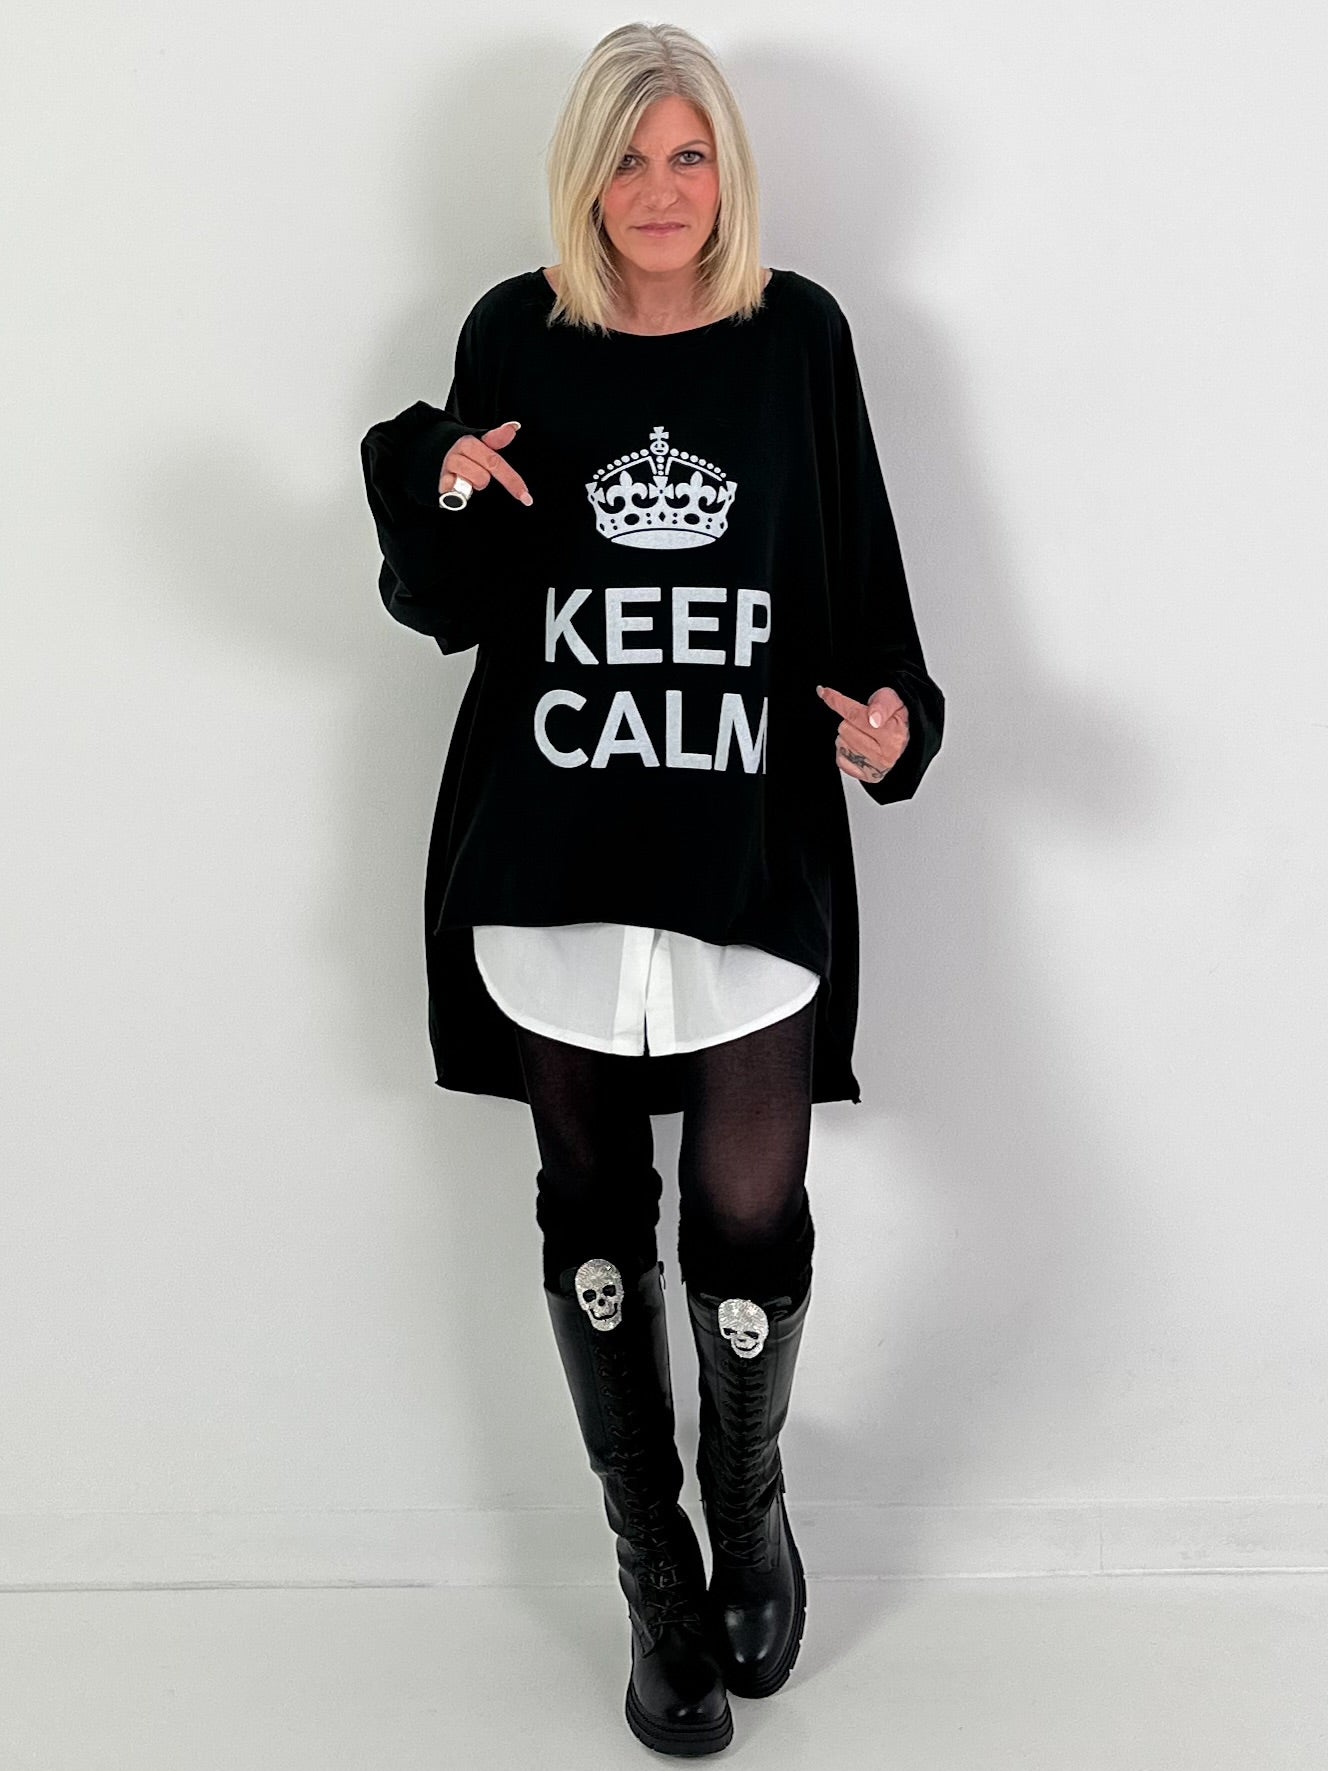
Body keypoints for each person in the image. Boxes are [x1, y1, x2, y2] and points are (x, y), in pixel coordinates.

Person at [359, 21, 944, 1757]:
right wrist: (441, 481)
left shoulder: (797, 337)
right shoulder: (516, 331)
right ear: (585, 174)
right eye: (628, 157)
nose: (660, 189)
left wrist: (899, 723)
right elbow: (444, 604)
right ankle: (654, 1568)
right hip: (550, 839)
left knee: (750, 1214)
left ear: (726, 170)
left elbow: (856, 573)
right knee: (596, 1213)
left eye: (688, 155)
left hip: (744, 838)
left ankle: (746, 1508)